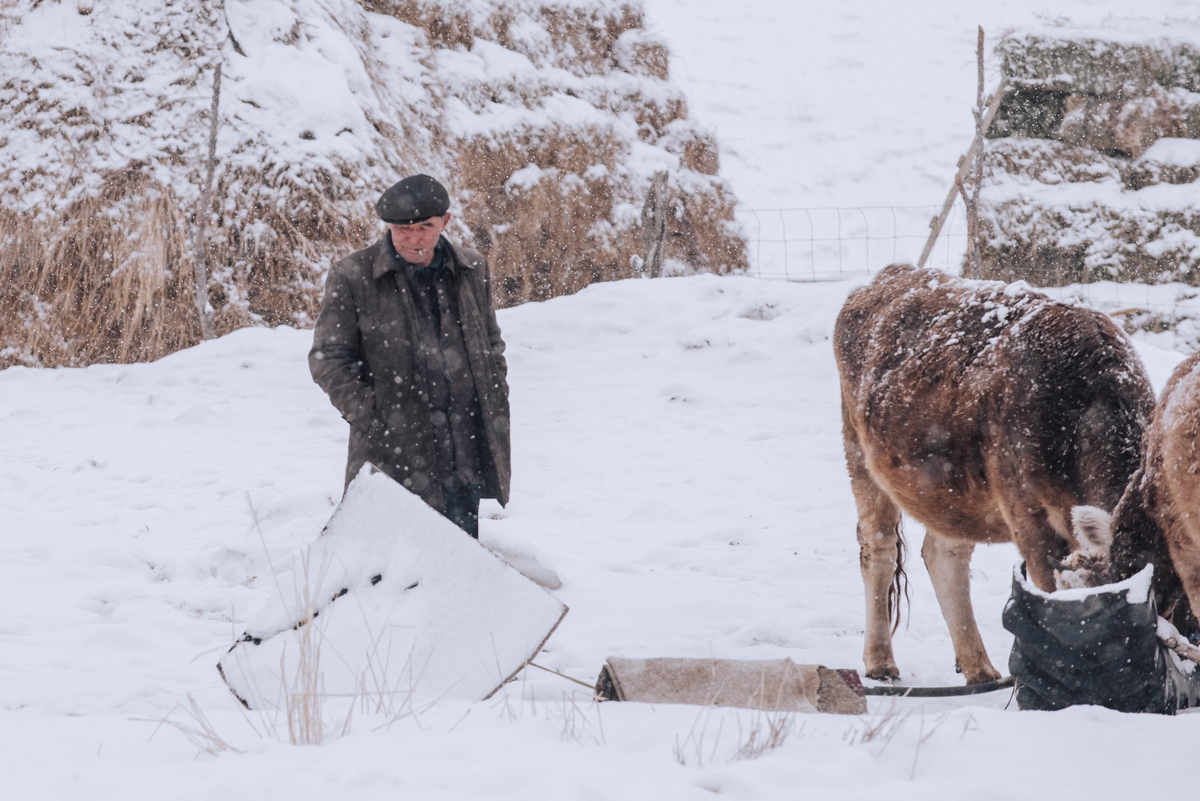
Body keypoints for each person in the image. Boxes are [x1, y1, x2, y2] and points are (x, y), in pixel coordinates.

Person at [309, 174, 510, 537]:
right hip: (393, 449)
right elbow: (329, 359)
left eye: (425, 227)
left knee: (460, 559)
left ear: (446, 221)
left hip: (465, 444)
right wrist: (377, 414)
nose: (414, 238)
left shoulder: (472, 269)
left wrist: (493, 395)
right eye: (403, 229)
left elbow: (491, 344)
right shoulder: (354, 275)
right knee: (388, 565)